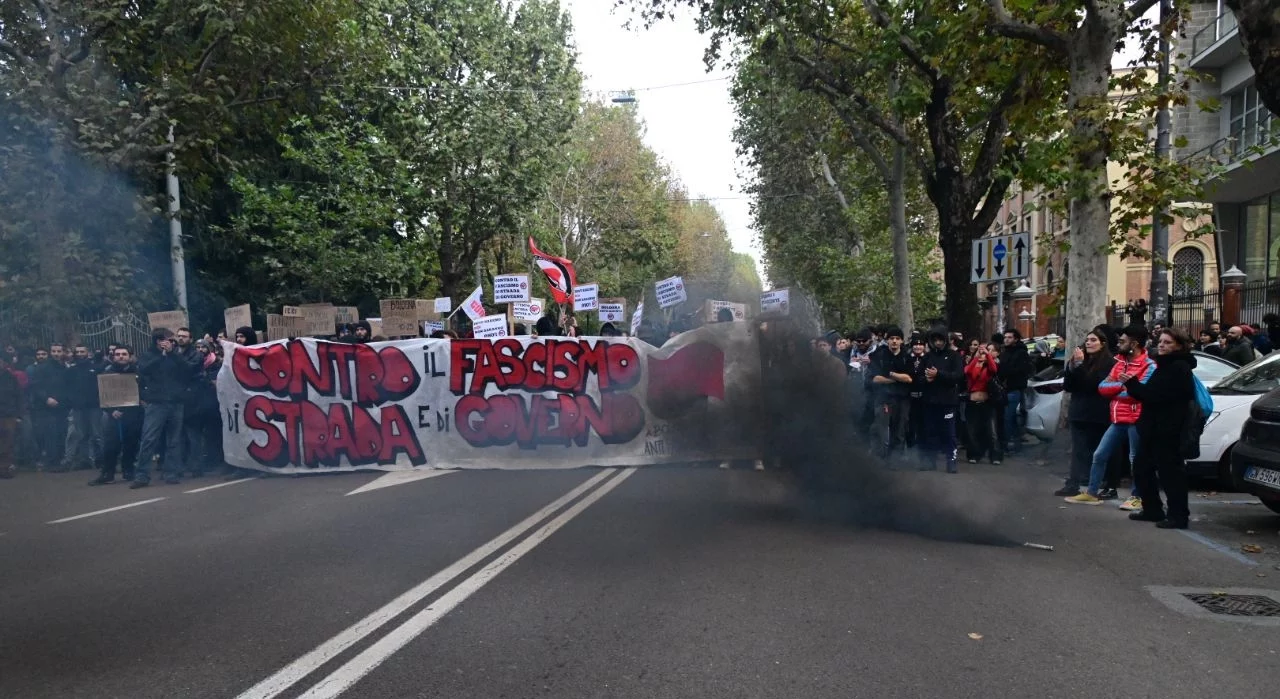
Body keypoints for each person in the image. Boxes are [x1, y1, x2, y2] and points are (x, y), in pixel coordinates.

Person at [1066, 325, 1153, 507]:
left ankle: (1137, 497)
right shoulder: (1120, 362)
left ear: (1134, 343)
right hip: (1117, 419)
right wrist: (1123, 387)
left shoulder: (1149, 365)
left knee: (1135, 459)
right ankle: (1091, 493)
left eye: (1122, 341)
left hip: (1135, 419)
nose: (1118, 344)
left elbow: (1139, 393)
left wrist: (1122, 389)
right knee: (1099, 454)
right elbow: (1102, 388)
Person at [1122, 328, 1197, 529]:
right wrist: (1134, 385)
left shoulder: (1179, 367)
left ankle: (1178, 516)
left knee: (1171, 474)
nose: (1162, 345)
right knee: (1141, 468)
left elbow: (1157, 396)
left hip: (1167, 430)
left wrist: (1133, 385)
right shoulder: (1164, 366)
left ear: (1179, 346)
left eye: (1168, 342)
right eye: (1161, 341)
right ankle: (1152, 509)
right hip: (1152, 428)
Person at [131, 329, 194, 488]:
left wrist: (172, 354)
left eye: (169, 340)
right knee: (149, 439)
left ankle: (171, 472)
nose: (167, 343)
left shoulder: (176, 356)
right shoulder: (148, 355)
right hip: (156, 403)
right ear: (157, 341)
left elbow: (187, 370)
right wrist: (161, 356)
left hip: (175, 403)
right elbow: (144, 370)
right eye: (163, 340)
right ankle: (142, 475)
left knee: (174, 440)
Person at [1055, 331, 1114, 497]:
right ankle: (1072, 483)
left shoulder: (1108, 363)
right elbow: (1068, 386)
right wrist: (1072, 367)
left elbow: (1094, 385)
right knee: (1077, 450)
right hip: (1079, 411)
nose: (1088, 343)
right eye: (1087, 340)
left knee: (1096, 451)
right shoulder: (1081, 360)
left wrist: (1080, 367)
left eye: (1093, 340)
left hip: (1098, 413)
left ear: (1102, 343)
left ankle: (1094, 484)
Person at [89, 346, 143, 485]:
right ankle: (108, 473)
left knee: (131, 443)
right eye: (117, 354)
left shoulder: (137, 372)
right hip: (112, 414)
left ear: (130, 356)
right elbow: (100, 395)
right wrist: (111, 410)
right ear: (113, 357)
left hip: (133, 413)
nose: (120, 356)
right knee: (110, 445)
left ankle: (128, 470)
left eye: (124, 354)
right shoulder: (106, 372)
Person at [918, 327, 964, 473]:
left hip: (948, 402)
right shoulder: (927, 357)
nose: (938, 343)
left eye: (940, 340)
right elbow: (918, 378)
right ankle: (930, 461)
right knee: (930, 432)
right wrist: (926, 379)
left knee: (949, 433)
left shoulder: (954, 356)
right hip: (930, 401)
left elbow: (958, 376)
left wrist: (938, 374)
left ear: (946, 340)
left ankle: (951, 461)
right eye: (935, 340)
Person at [869, 327, 912, 462]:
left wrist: (891, 374)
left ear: (901, 341)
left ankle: (896, 459)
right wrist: (896, 379)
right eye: (892, 338)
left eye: (897, 339)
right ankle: (879, 458)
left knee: (899, 430)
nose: (894, 341)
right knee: (880, 429)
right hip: (883, 399)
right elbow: (875, 379)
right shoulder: (879, 356)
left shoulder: (906, 357)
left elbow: (909, 379)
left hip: (902, 399)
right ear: (887, 340)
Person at [61, 344, 102, 471]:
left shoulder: (95, 368)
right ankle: (85, 460)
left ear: (88, 352)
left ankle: (102, 460)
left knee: (97, 435)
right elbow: (66, 388)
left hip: (94, 406)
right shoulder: (71, 371)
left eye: (82, 351)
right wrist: (71, 401)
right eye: (77, 351)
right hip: (78, 407)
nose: (79, 354)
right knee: (81, 435)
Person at [28, 344, 69, 470]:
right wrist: (46, 398)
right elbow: (36, 386)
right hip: (46, 407)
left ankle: (60, 459)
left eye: (59, 351)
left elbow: (67, 387)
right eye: (54, 351)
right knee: (50, 434)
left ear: (63, 352)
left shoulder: (65, 368)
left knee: (62, 433)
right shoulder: (41, 368)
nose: (56, 353)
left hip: (62, 406)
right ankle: (52, 461)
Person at [963, 341, 1002, 465]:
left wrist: (987, 355)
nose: (983, 354)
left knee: (992, 431)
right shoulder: (973, 364)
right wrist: (976, 358)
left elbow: (994, 369)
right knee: (972, 431)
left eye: (985, 352)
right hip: (973, 402)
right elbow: (967, 371)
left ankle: (995, 455)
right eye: (981, 352)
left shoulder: (989, 366)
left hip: (986, 402)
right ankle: (974, 454)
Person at [997, 329, 1034, 455]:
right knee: (1009, 419)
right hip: (1005, 389)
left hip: (1014, 389)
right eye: (1005, 337)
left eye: (1010, 337)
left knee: (1008, 418)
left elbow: (1020, 370)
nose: (1006, 339)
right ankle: (1012, 444)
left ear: (1016, 339)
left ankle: (1007, 445)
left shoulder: (1021, 353)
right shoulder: (1005, 352)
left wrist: (1002, 368)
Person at [0, 356, 24, 479]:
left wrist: (19, 415)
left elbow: (19, 397)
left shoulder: (11, 378)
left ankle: (4, 468)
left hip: (8, 416)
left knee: (7, 444)